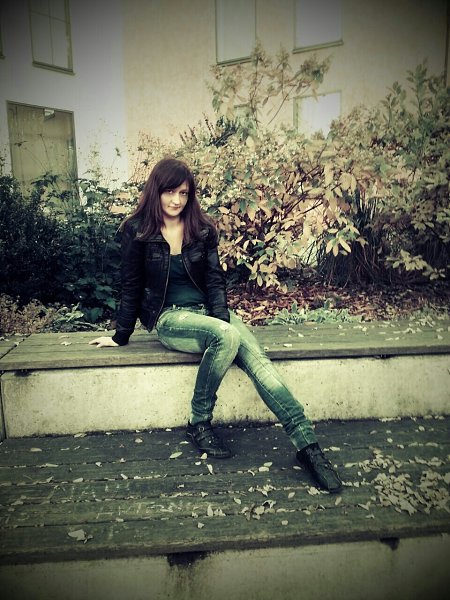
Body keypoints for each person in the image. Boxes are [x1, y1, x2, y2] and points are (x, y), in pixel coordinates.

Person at [90, 158, 342, 493]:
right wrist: (120, 335)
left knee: (260, 364)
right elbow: (131, 285)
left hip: (209, 315)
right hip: (170, 318)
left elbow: (214, 281)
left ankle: (308, 447)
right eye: (170, 192)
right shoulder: (136, 230)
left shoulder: (202, 228)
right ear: (156, 191)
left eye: (183, 193)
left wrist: (221, 319)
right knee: (226, 335)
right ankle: (199, 421)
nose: (177, 200)